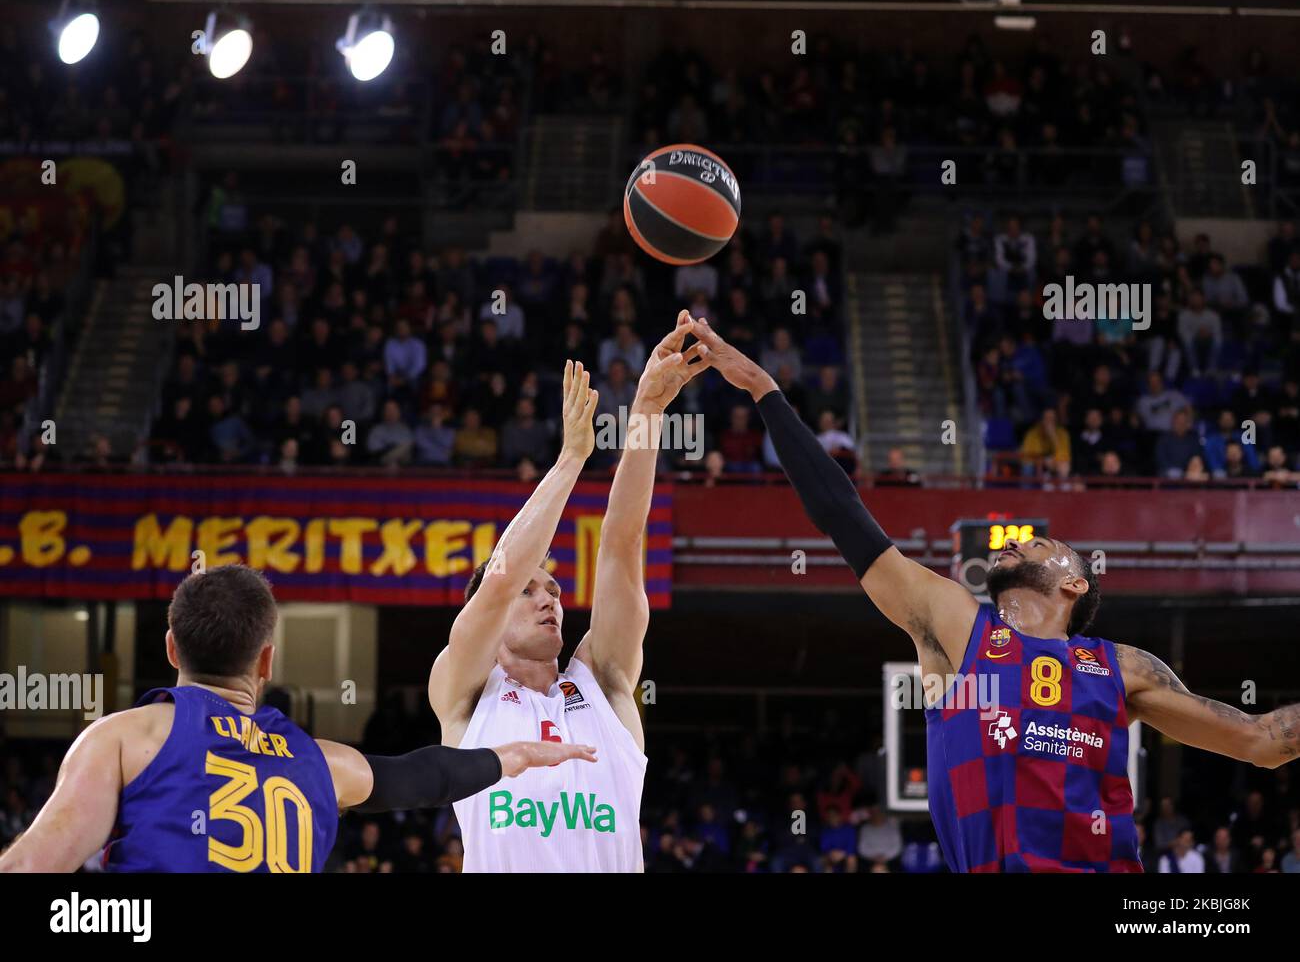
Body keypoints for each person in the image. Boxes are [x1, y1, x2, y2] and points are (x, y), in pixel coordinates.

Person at [689, 316, 1300, 873]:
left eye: (1044, 542)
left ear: (1075, 582)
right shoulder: (958, 624)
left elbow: (1258, 741)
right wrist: (762, 388)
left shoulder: (1124, 668)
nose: (1023, 541)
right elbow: (842, 515)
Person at [0, 565, 592, 873]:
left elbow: (30, 865)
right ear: (266, 661)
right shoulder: (320, 762)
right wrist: (510, 757)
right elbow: (423, 776)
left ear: (172, 650)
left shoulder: (125, 738)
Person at [428, 315, 711, 872]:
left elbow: (622, 545)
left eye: (555, 590)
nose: (548, 598)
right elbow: (503, 575)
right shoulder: (464, 694)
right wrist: (571, 459)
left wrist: (648, 414)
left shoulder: (602, 682)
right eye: (531, 591)